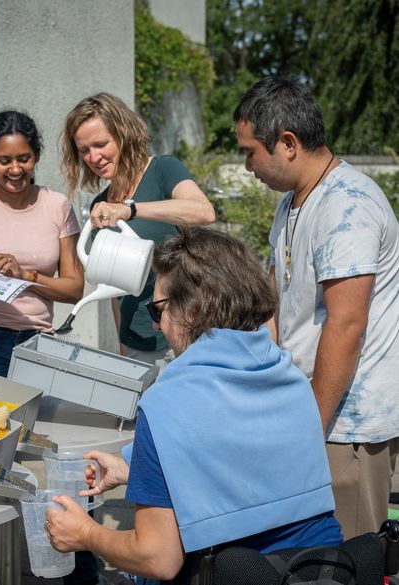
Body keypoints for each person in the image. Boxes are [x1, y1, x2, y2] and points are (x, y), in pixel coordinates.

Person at [46, 227, 343, 583]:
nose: (157, 328)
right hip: (316, 571)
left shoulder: (166, 403)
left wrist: (85, 534)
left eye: (157, 310)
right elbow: (238, 469)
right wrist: (136, 470)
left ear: (192, 311)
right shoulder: (291, 379)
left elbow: (157, 558)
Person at [233, 76, 399, 539]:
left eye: (250, 151)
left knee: (349, 558)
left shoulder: (348, 205)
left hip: (347, 426)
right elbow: (276, 304)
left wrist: (310, 427)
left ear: (287, 143)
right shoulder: (291, 203)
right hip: (308, 414)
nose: (247, 165)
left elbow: (345, 326)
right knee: (309, 559)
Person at [0, 110, 86, 582]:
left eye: (23, 158)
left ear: (36, 157)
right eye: (4, 159)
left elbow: (73, 288)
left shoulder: (57, 206)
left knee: (53, 457)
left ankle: (71, 564)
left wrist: (26, 276)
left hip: (39, 346)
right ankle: (2, 568)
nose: (14, 168)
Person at [60, 92, 215, 364]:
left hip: (185, 336)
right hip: (136, 343)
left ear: (123, 135)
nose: (93, 157)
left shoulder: (162, 169)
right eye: (84, 150)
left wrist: (130, 209)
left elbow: (203, 211)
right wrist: (123, 348)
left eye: (100, 144)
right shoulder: (101, 204)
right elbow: (114, 289)